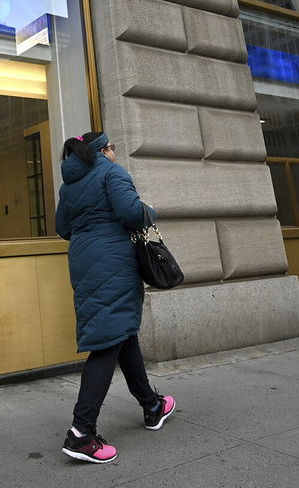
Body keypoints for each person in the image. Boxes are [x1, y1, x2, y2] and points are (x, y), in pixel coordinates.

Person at [55, 131, 176, 464]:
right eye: (111, 147)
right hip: (113, 262)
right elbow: (131, 213)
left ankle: (152, 405)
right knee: (108, 341)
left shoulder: (69, 186)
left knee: (121, 331)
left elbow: (62, 228)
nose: (114, 151)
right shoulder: (112, 172)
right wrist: (151, 211)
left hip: (84, 261)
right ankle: (81, 433)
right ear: (102, 151)